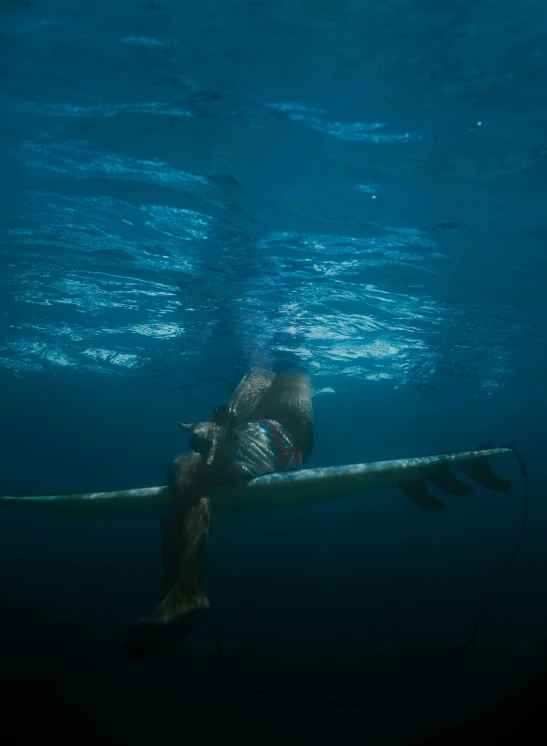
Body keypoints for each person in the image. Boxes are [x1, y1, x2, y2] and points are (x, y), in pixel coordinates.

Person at [123, 369, 313, 655]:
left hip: (283, 432)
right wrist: (221, 427)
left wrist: (221, 422)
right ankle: (174, 602)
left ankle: (186, 592)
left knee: (185, 469)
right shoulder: (272, 371)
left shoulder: (266, 362)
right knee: (185, 484)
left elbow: (258, 377)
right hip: (272, 434)